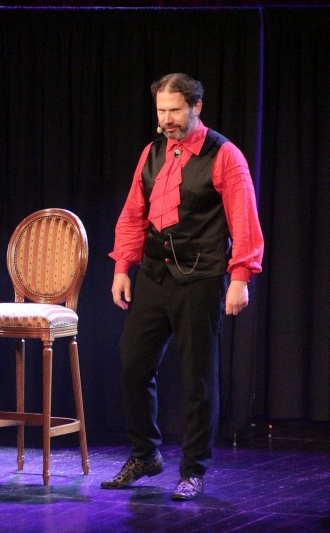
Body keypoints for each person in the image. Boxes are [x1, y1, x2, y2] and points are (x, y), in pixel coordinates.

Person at [102, 73, 264, 500]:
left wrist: (240, 277)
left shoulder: (224, 155)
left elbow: (244, 220)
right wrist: (122, 267)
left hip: (200, 277)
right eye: (161, 111)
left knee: (198, 378)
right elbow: (133, 213)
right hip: (154, 275)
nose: (166, 119)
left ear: (196, 107)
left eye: (174, 110)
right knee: (133, 364)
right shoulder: (152, 152)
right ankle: (145, 455)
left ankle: (193, 469)